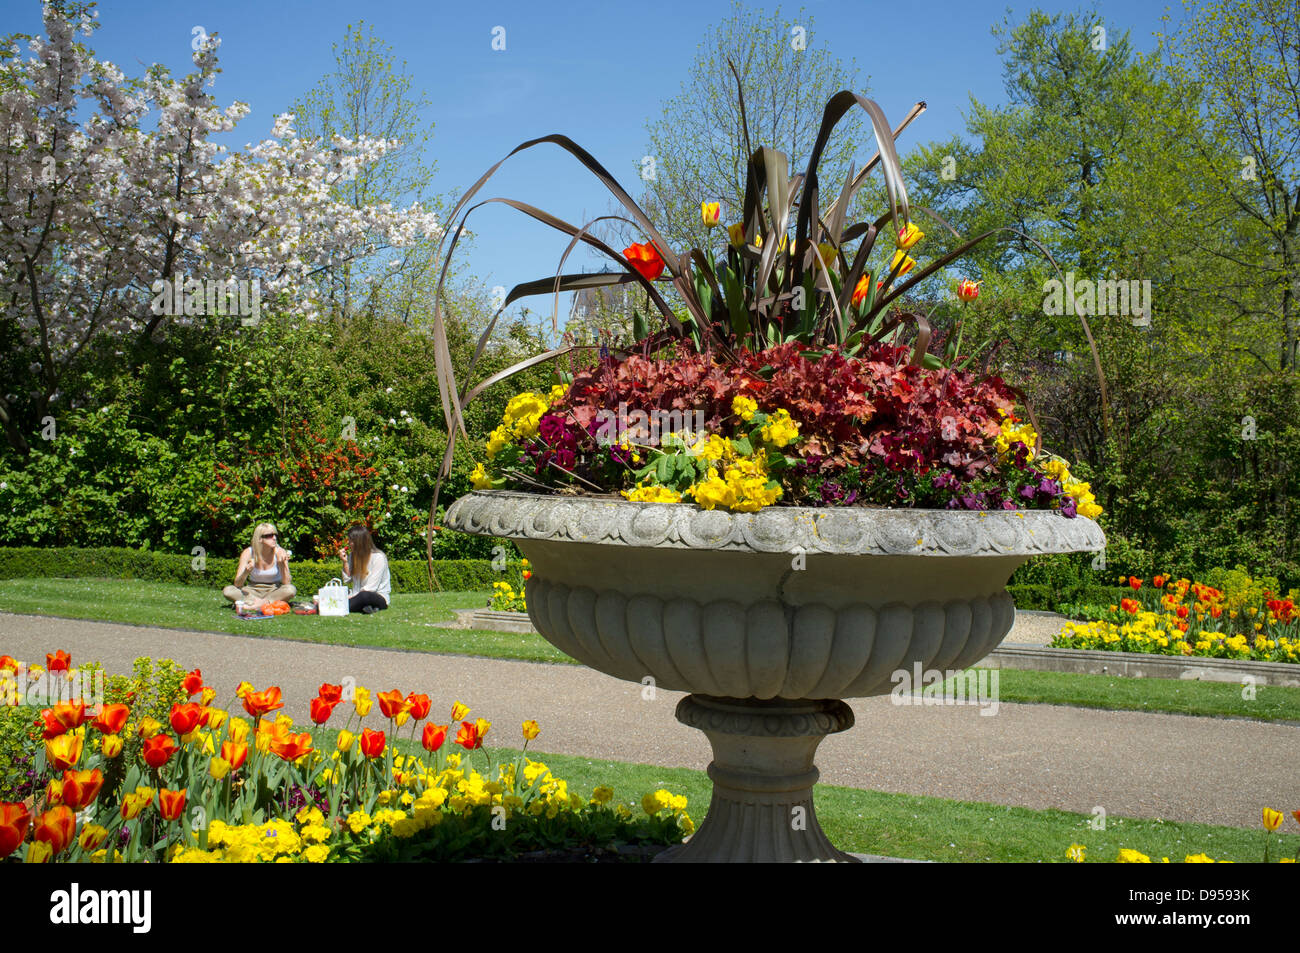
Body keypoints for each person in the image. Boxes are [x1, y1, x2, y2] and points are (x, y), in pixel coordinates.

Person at [223, 523, 296, 609]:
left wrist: (282, 564)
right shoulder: (248, 553)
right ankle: (264, 603)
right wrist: (246, 572)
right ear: (260, 539)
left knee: (290, 590)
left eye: (275, 535)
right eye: (269, 535)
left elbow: (286, 583)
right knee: (228, 590)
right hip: (252, 590)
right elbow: (238, 584)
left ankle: (253, 604)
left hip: (274, 590)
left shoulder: (279, 552)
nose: (274, 538)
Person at [339, 524, 390, 614]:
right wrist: (345, 562)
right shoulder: (352, 556)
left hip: (375, 596)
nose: (349, 544)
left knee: (364, 596)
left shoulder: (378, 558)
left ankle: (337, 606)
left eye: (350, 541)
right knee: (340, 591)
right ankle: (366, 607)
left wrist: (349, 598)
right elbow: (348, 579)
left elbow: (370, 588)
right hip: (356, 595)